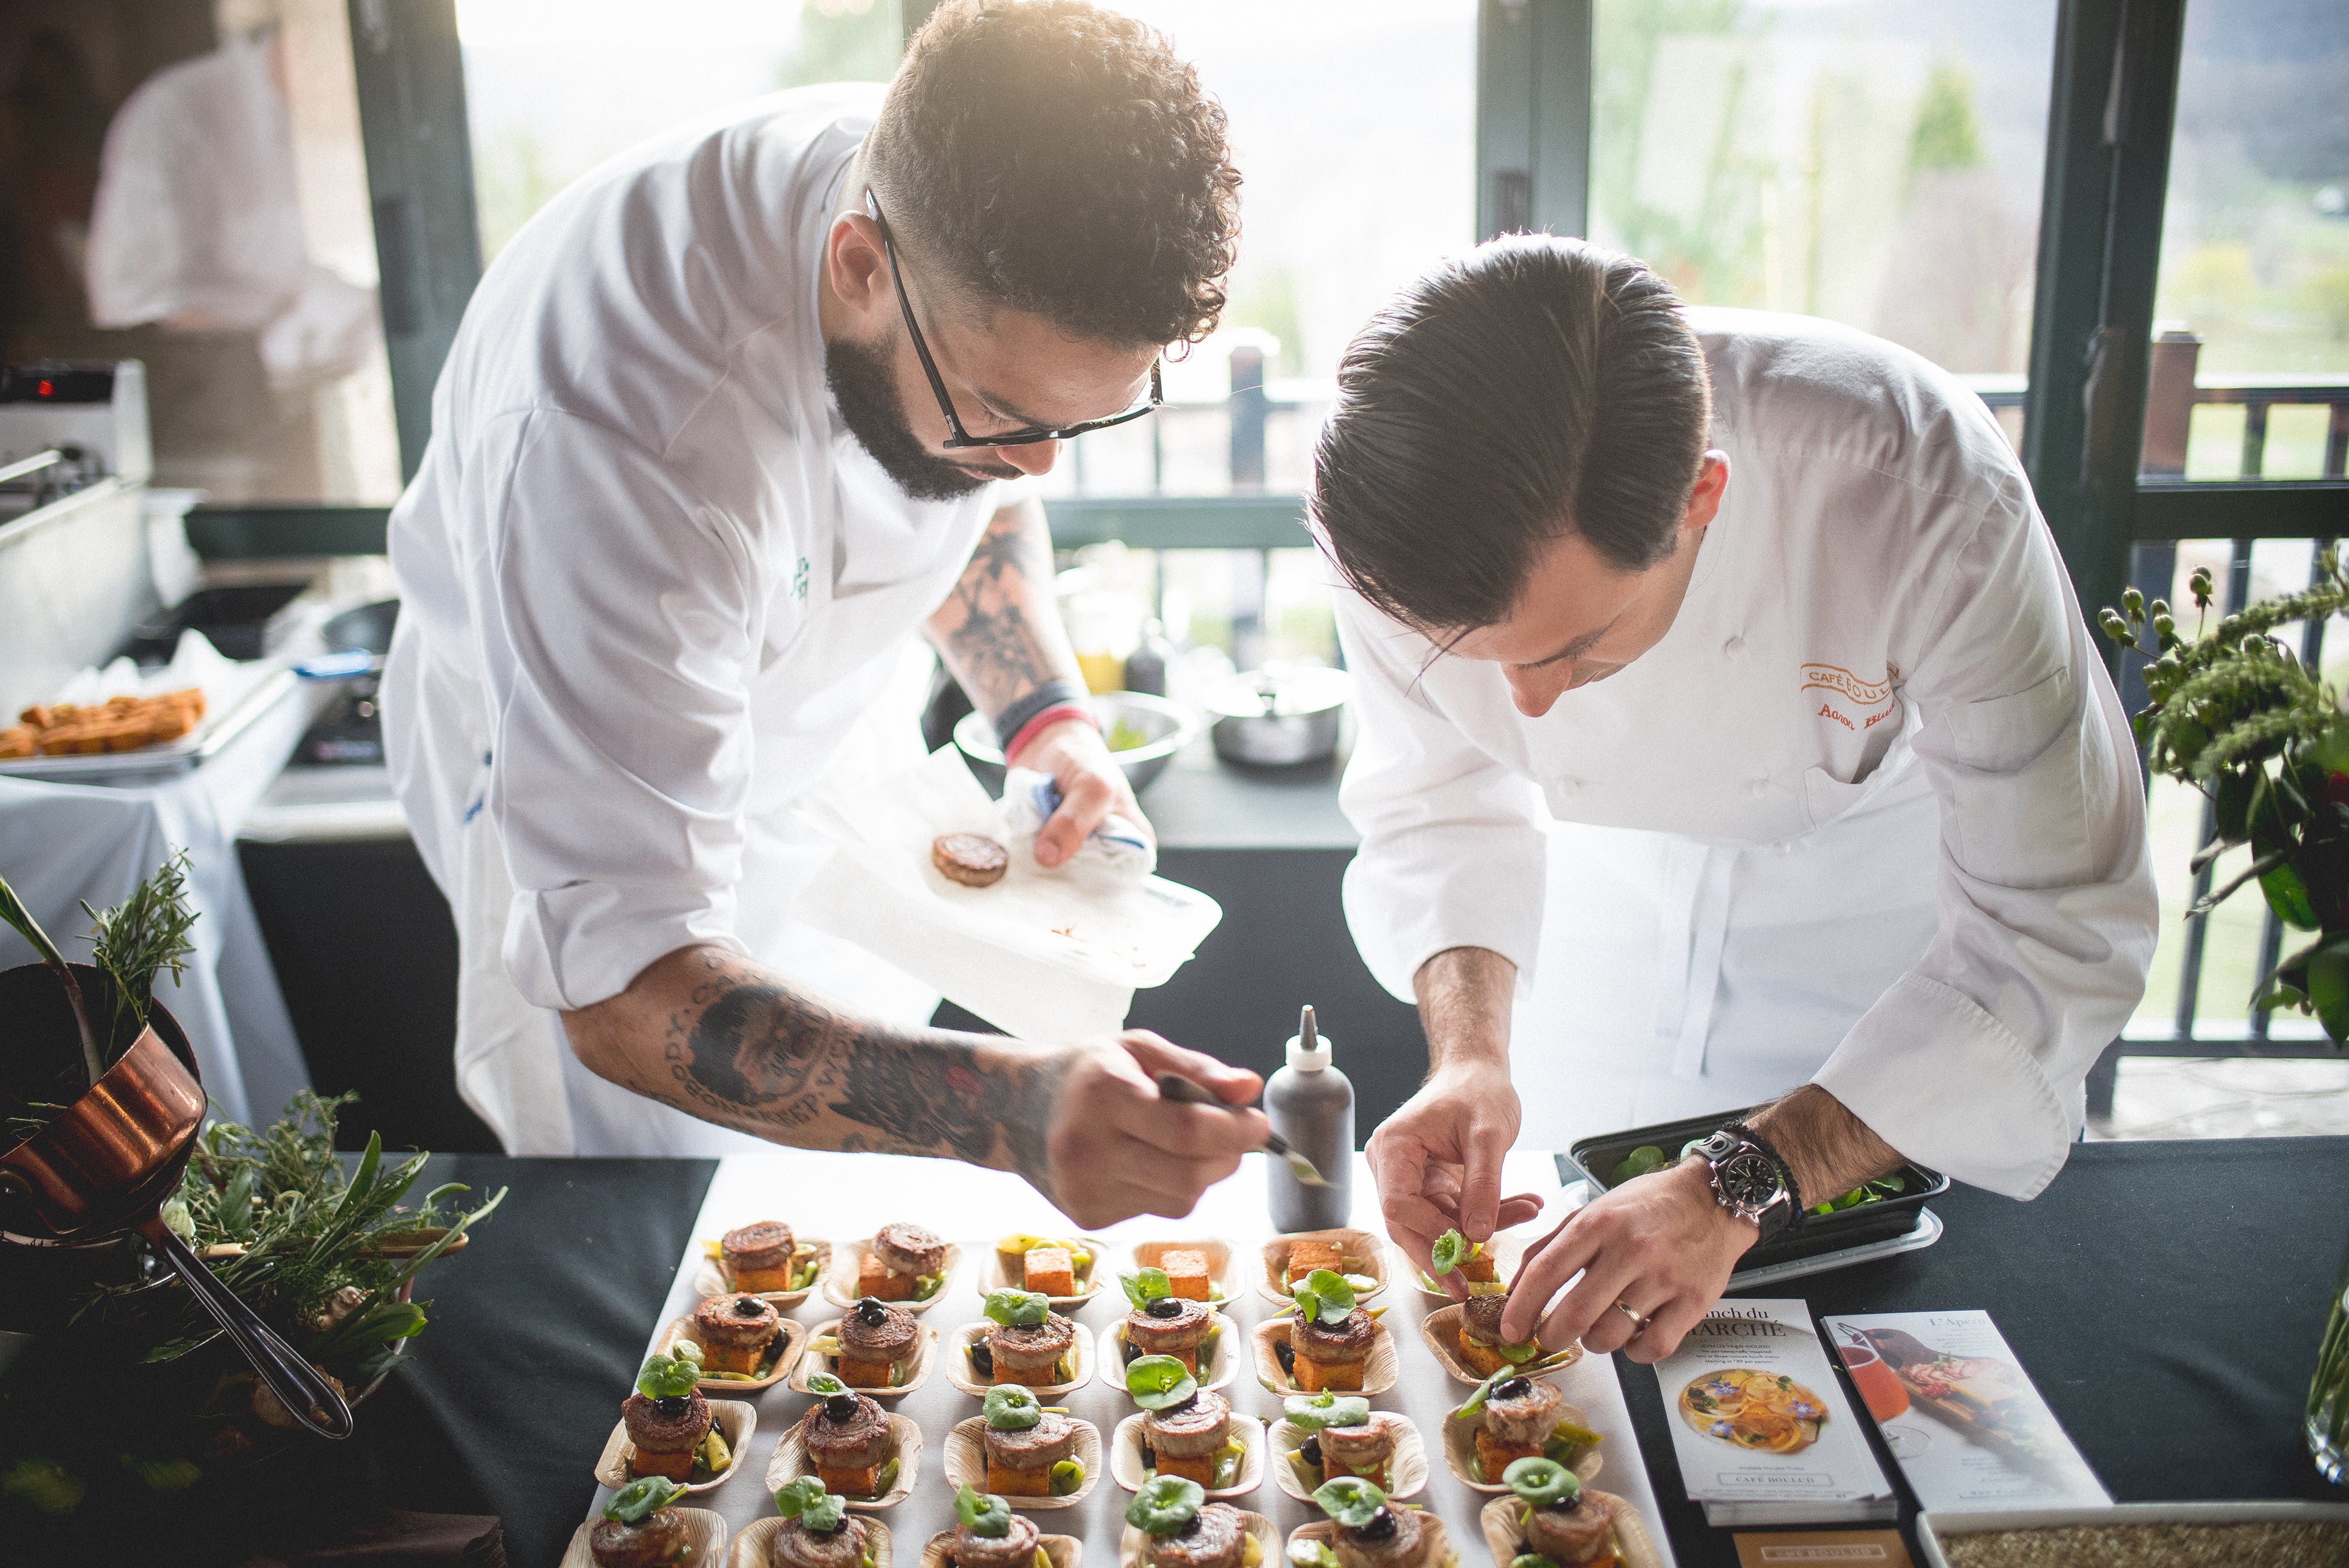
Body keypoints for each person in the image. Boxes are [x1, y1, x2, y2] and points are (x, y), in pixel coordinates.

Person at [383, 0, 1265, 1225]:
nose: (1044, 467)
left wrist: (1048, 723)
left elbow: (976, 471)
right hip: (576, 748)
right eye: (1011, 410)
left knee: (853, 1215)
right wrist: (1000, 1109)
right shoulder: (616, 444)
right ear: (858, 266)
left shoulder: (951, 222)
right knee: (674, 1222)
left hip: (826, 734)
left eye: (1083, 420)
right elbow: (627, 992)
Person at [1314, 238, 2157, 1359]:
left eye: (1574, 646)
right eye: (1468, 656)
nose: (1526, 704)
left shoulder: (1914, 483)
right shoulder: (1388, 500)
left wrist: (1739, 1181)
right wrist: (1470, 1053)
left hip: (1887, 984)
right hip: (1592, 945)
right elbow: (1437, 801)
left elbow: (2058, 924)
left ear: (1702, 496)